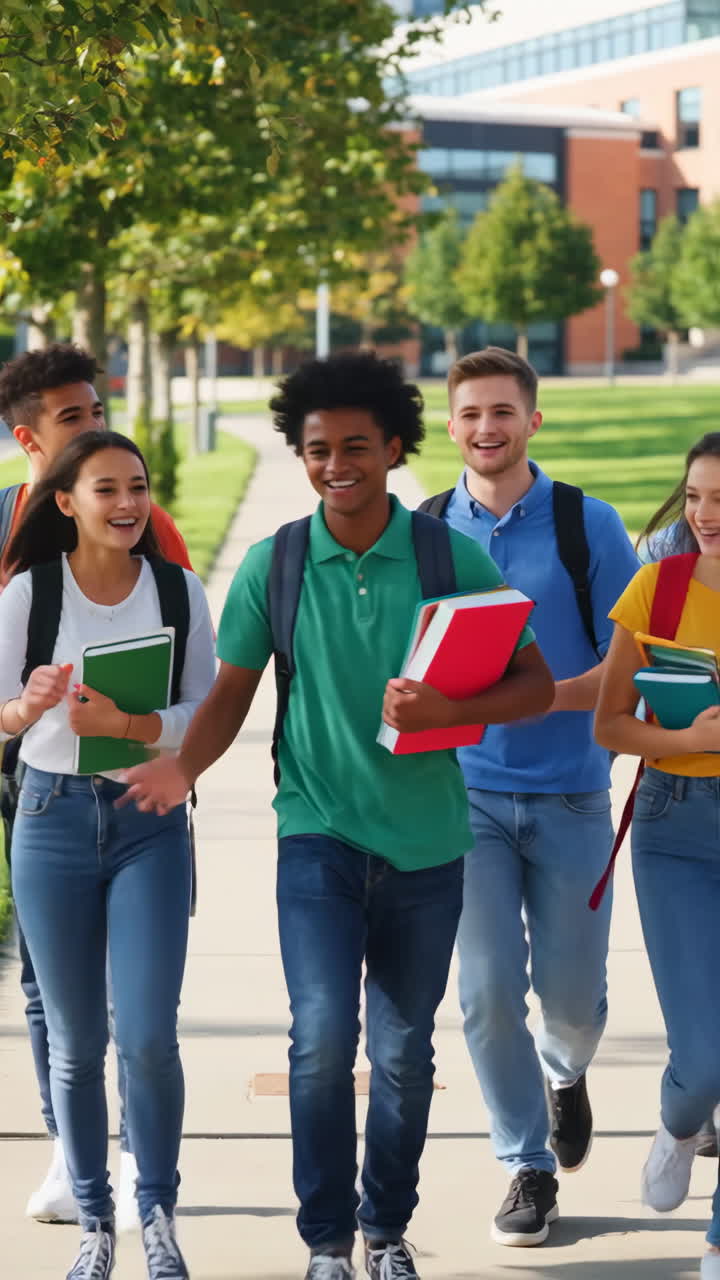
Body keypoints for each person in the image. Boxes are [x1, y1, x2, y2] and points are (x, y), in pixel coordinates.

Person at [119, 351, 555, 1280]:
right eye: (319, 449)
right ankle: (326, 1242)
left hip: (428, 844)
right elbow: (231, 696)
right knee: (320, 1041)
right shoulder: (277, 564)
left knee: (402, 1054)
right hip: (315, 833)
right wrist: (181, 768)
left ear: (394, 448)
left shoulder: (447, 556)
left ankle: (385, 1231)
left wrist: (449, 710)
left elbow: (535, 683)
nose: (336, 464)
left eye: (357, 446)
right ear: (301, 454)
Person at [427, 347, 639, 1247]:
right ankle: (526, 1163)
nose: (488, 428)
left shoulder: (589, 524)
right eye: (472, 413)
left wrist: (532, 697)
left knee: (572, 1000)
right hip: (462, 797)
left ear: (533, 421)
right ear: (450, 426)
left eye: (503, 412)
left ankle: (565, 1069)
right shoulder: (425, 530)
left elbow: (629, 661)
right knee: (483, 992)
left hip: (571, 794)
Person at [0, 430, 216, 1280]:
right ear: (66, 502)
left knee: (150, 1036)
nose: (128, 504)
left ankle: (155, 1214)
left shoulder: (178, 590)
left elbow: (204, 714)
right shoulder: (31, 592)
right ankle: (95, 1223)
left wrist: (128, 725)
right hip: (50, 818)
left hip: (147, 819)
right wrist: (26, 708)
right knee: (77, 1042)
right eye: (106, 489)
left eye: (138, 486)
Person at [595, 431, 720, 1280]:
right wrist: (686, 736)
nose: (705, 515)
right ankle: (681, 1121)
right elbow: (609, 725)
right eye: (696, 497)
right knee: (705, 1058)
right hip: (676, 824)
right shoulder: (658, 588)